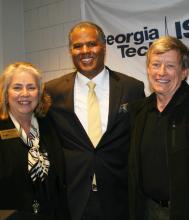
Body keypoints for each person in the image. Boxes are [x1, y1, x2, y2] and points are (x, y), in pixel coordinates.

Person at [46, 21, 145, 220]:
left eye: (91, 44)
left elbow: (139, 140)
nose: (85, 51)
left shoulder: (131, 88)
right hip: (72, 198)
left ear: (104, 46)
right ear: (70, 51)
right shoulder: (52, 91)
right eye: (77, 46)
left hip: (119, 196)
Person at [128, 36, 189, 220]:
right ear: (148, 69)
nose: (161, 72)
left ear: (184, 71)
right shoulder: (139, 111)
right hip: (147, 210)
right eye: (155, 65)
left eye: (170, 66)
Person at [0, 62, 70, 220]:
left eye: (31, 87)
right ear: (6, 93)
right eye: (17, 87)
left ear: (39, 93)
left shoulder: (49, 123)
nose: (25, 94)